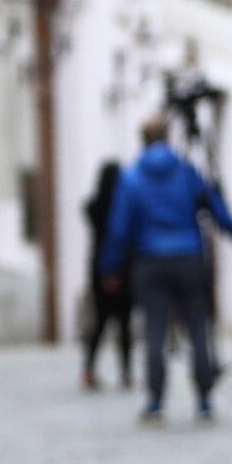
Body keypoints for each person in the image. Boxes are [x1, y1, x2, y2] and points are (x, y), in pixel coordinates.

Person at [98, 113, 232, 422]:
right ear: (167, 137)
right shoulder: (186, 171)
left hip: (150, 261)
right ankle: (204, 398)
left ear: (142, 139)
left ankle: (155, 400)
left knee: (155, 330)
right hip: (188, 258)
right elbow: (217, 209)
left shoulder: (131, 178)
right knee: (198, 328)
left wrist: (110, 267)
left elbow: (119, 228)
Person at [81, 160, 133, 390]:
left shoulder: (93, 207)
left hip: (98, 269)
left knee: (99, 322)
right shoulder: (123, 207)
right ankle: (126, 372)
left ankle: (89, 369)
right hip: (123, 268)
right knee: (124, 322)